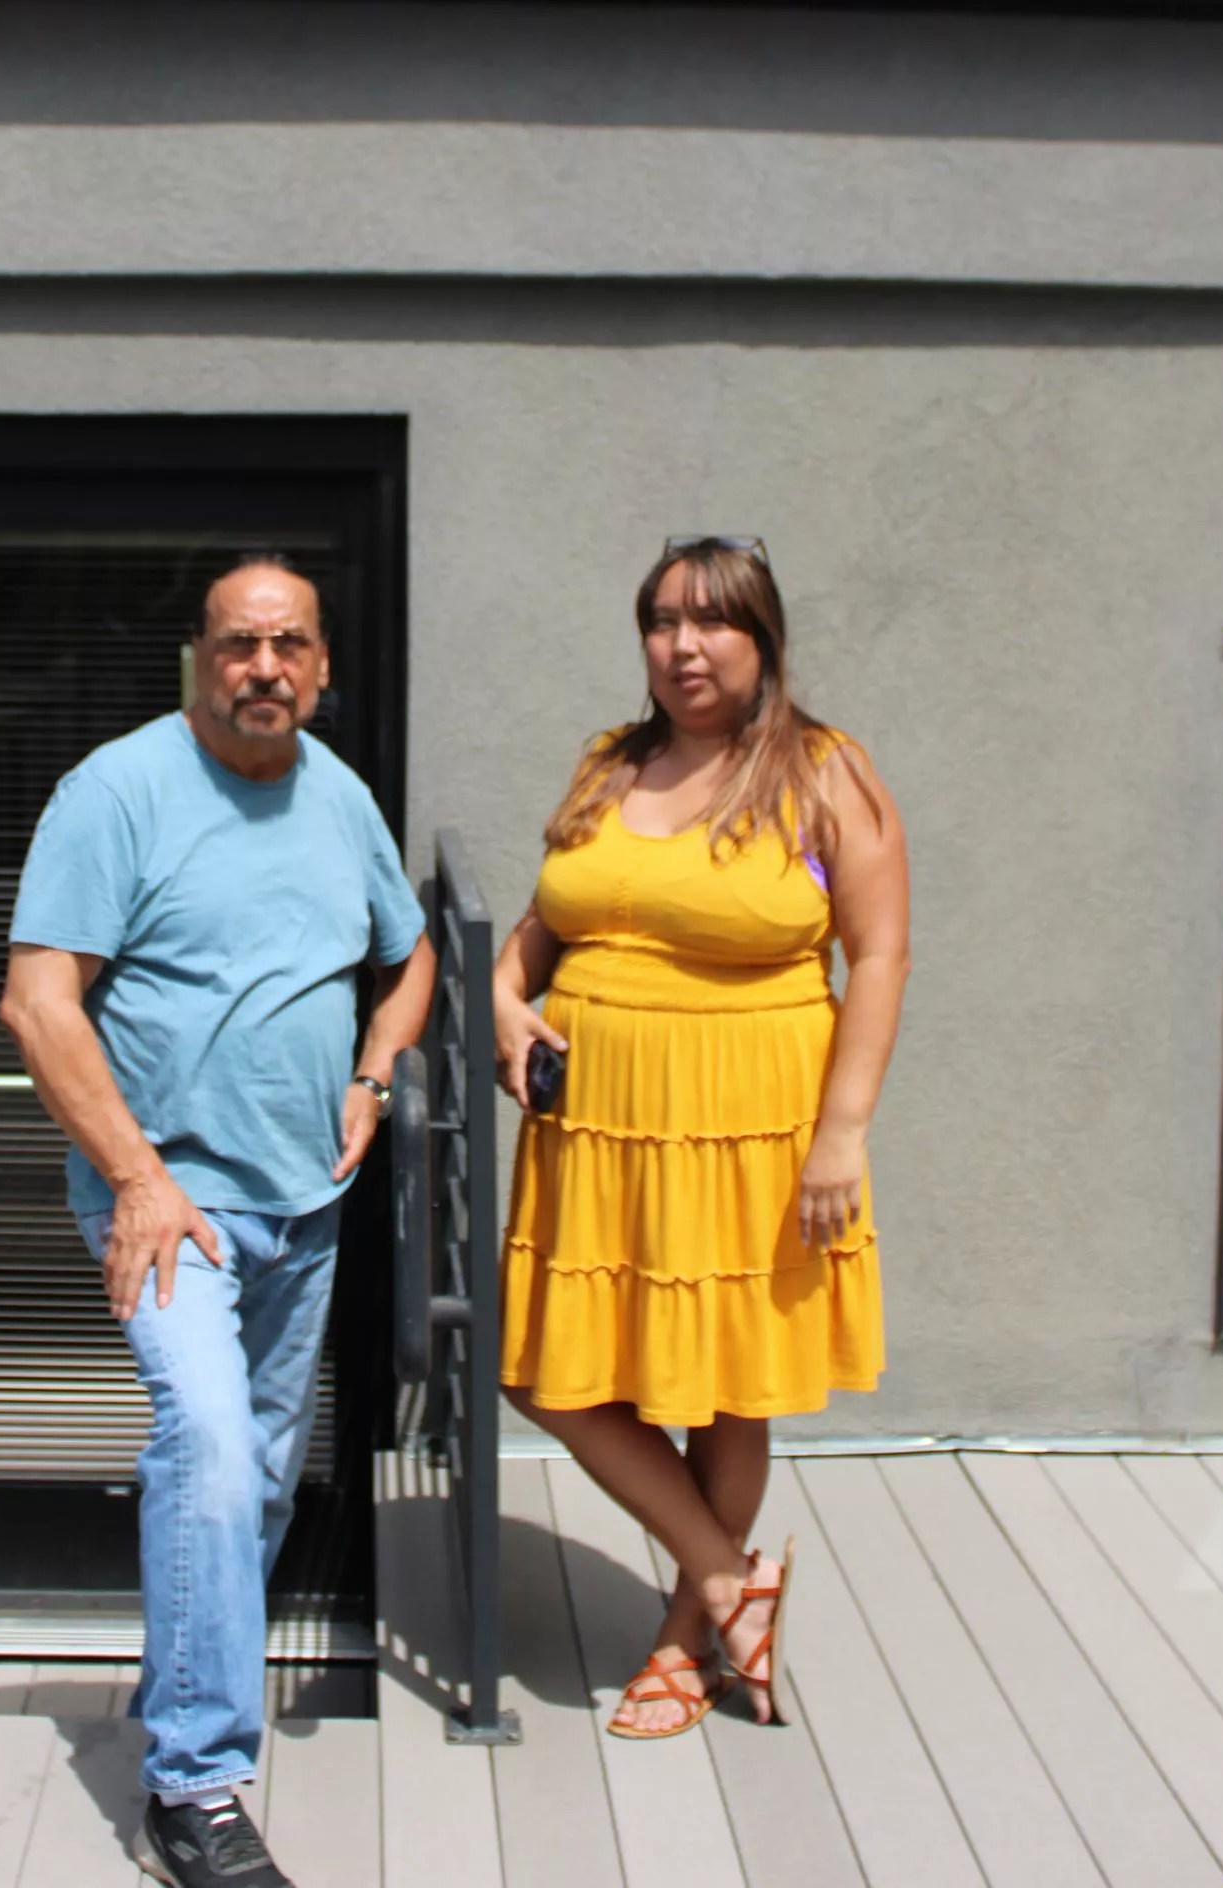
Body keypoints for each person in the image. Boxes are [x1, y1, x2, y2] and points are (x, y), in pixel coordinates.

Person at [0, 555, 435, 1888]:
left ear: (321, 667)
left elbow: (409, 954)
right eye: (240, 645)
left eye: (289, 645)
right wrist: (136, 1176)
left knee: (244, 1485)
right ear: (199, 657)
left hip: (305, 1205)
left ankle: (183, 1704)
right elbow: (38, 1003)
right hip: (167, 1205)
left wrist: (372, 1074)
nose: (265, 668)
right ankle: (194, 1786)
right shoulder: (118, 793)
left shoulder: (338, 793)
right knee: (205, 1441)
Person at [493, 536, 907, 1738]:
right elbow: (543, 925)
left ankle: (684, 1637)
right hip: (600, 1133)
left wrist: (843, 1134)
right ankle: (733, 1582)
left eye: (714, 621)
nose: (684, 645)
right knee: (548, 1375)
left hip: (753, 1130)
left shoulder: (826, 772)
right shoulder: (607, 765)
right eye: (662, 620)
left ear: (763, 636)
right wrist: (509, 1003)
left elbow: (879, 955)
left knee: (725, 1390)